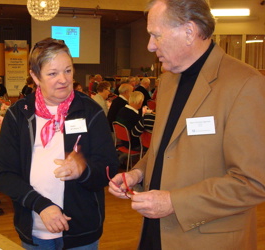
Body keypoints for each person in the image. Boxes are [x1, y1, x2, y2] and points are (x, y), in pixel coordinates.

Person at [108, 0, 265, 249]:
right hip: (156, 230)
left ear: (189, 32)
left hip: (207, 238)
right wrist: (137, 173)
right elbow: (165, 147)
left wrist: (173, 203)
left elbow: (253, 182)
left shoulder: (245, 84)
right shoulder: (169, 80)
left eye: (155, 36)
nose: (150, 46)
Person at [0, 38, 118, 249]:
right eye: (52, 73)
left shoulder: (90, 111)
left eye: (68, 71)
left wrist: (84, 170)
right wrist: (41, 205)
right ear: (35, 76)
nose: (63, 79)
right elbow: (4, 175)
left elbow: (109, 166)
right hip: (34, 227)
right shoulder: (18, 115)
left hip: (81, 229)